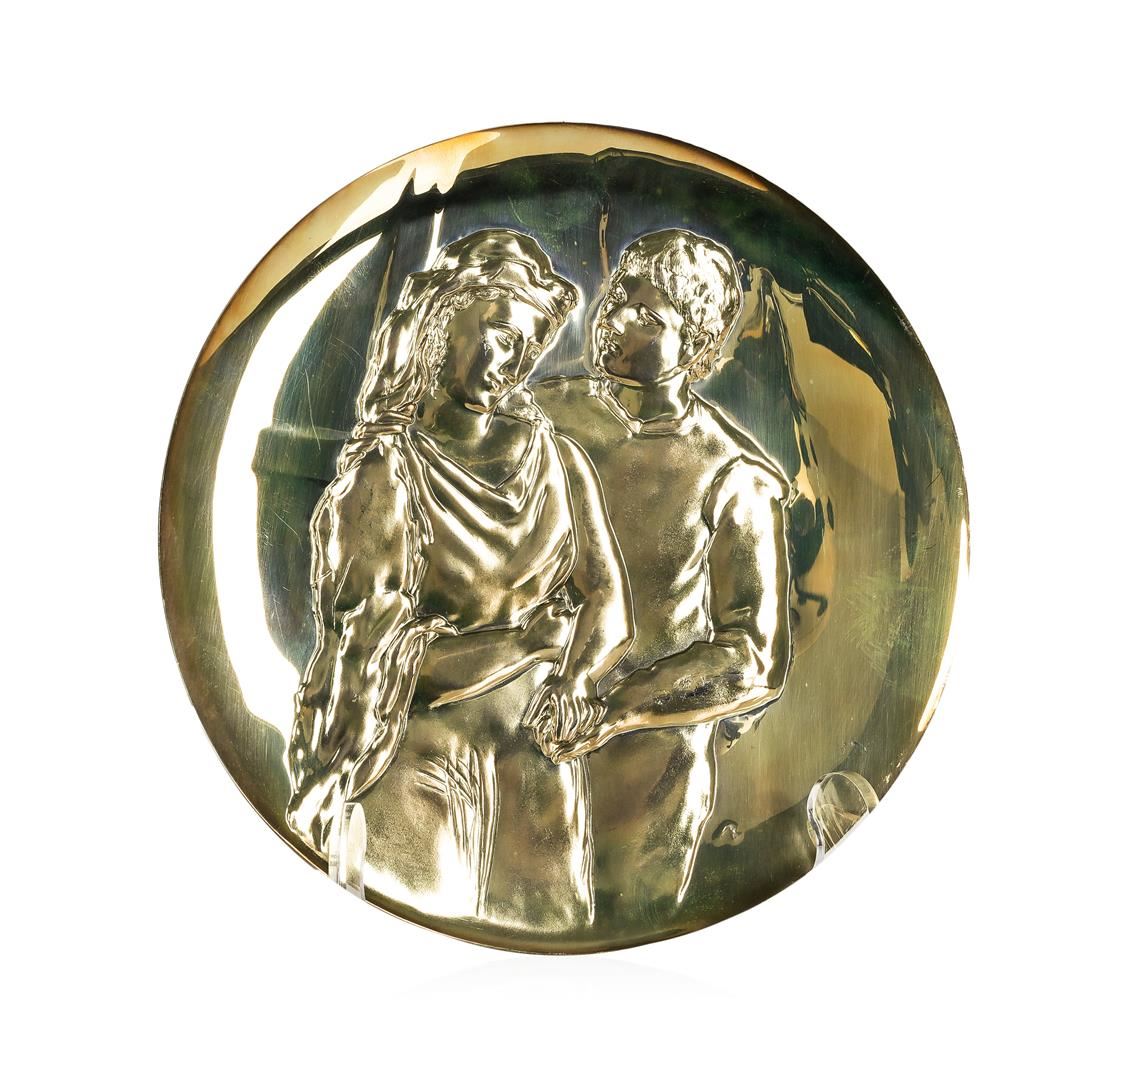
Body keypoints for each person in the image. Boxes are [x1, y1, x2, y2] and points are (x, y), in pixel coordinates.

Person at [287, 229, 632, 931]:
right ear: (444, 320)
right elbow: (384, 667)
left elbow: (608, 603)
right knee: (414, 937)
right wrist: (526, 645)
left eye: (530, 348)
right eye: (502, 335)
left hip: (538, 769)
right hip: (421, 769)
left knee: (556, 958)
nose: (516, 363)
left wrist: (574, 679)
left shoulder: (559, 461)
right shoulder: (386, 476)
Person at [531, 229, 792, 914]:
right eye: (619, 294)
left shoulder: (735, 476)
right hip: (516, 751)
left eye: (648, 314)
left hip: (648, 784)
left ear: (697, 345)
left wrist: (613, 711)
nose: (615, 316)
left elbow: (753, 657)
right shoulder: (538, 416)